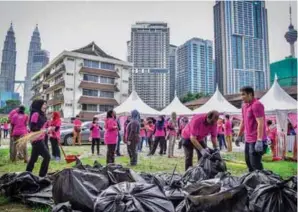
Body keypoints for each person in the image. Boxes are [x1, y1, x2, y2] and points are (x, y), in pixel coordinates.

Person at [236, 86, 267, 172]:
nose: (241, 97)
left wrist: (259, 140)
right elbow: (243, 121)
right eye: (241, 95)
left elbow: (261, 123)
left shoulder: (257, 105)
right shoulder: (244, 106)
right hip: (248, 139)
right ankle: (252, 181)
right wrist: (239, 136)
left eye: (243, 94)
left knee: (255, 164)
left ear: (250, 94)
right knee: (248, 162)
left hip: (256, 140)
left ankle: (262, 183)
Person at [26, 99, 51, 177]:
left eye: (45, 104)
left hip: (40, 138)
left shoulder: (42, 114)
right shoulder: (35, 114)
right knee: (47, 157)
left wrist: (47, 130)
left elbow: (43, 126)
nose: (45, 106)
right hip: (36, 139)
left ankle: (27, 174)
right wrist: (43, 130)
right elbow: (32, 127)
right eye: (44, 104)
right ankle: (42, 176)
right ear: (38, 105)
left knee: (33, 159)